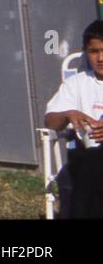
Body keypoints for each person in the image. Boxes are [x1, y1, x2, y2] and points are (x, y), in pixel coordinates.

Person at [44, 19, 103, 218]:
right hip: (87, 154)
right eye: (94, 51)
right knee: (90, 162)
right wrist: (68, 114)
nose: (100, 58)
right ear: (86, 52)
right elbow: (50, 121)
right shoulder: (77, 83)